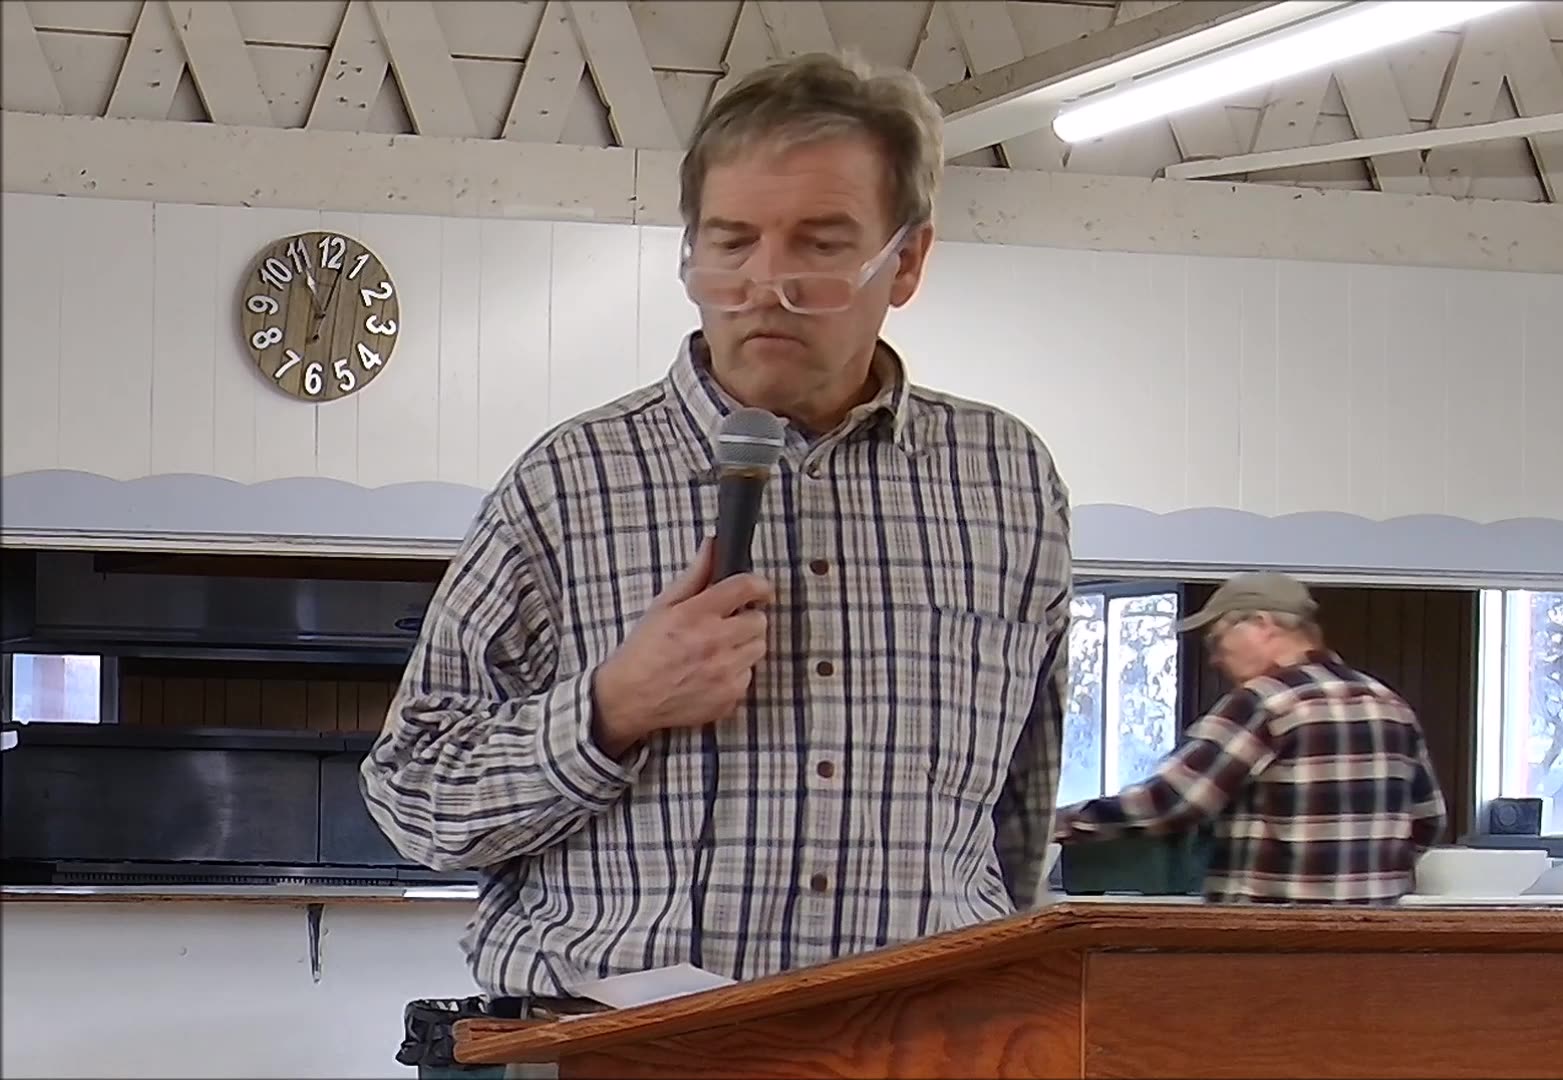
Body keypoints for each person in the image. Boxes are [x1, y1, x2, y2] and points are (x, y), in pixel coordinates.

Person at [362, 52, 1072, 1000]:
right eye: (731, 243)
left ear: (905, 261)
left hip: (920, 1044)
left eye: (821, 245)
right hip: (615, 1053)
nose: (765, 284)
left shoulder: (1007, 479)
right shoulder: (571, 482)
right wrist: (613, 706)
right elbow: (414, 795)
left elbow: (1019, 812)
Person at [1054, 572, 1446, 903]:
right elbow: (1428, 822)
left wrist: (1052, 825)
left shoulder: (1265, 702)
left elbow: (1171, 801)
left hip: (1267, 943)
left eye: (1216, 638)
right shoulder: (1389, 704)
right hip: (1375, 945)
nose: (1214, 658)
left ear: (1261, 624)